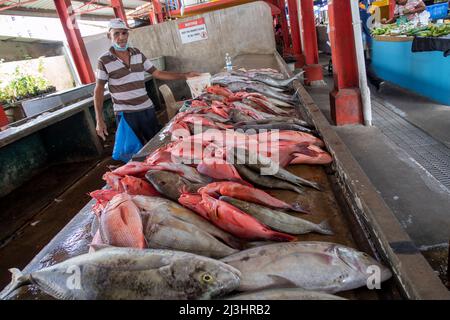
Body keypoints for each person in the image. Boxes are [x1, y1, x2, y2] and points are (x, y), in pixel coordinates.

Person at [94, 18, 200, 145]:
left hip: (146, 109)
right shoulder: (104, 60)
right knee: (134, 149)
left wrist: (185, 75)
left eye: (124, 33)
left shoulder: (137, 53)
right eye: (116, 33)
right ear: (108, 36)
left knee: (156, 144)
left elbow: (158, 73)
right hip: (126, 114)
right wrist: (99, 119)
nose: (121, 37)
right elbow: (99, 89)